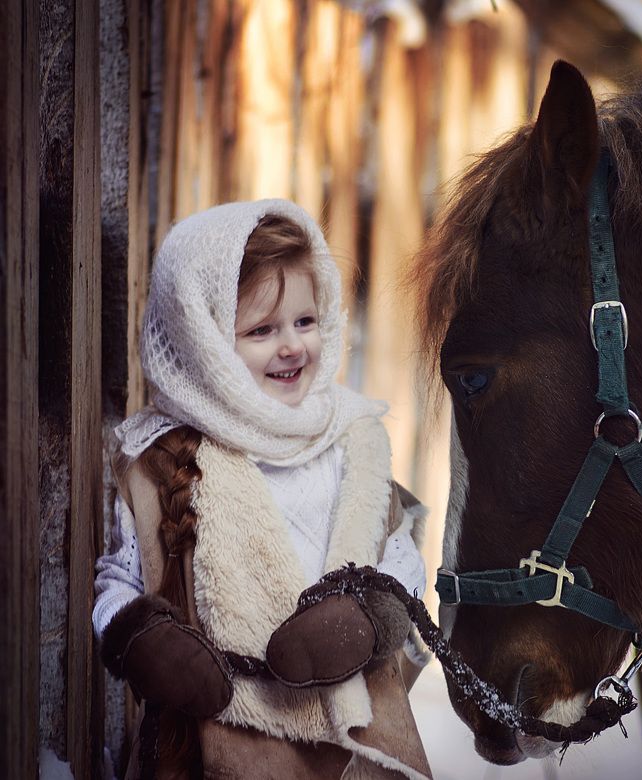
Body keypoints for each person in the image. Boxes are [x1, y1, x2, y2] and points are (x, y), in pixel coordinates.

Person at [93, 199, 432, 779]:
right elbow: (120, 577)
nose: (292, 346)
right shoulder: (166, 460)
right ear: (205, 344)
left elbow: (398, 555)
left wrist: (370, 616)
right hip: (221, 742)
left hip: (357, 745)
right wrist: (140, 636)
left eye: (304, 321)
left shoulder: (351, 443)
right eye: (261, 330)